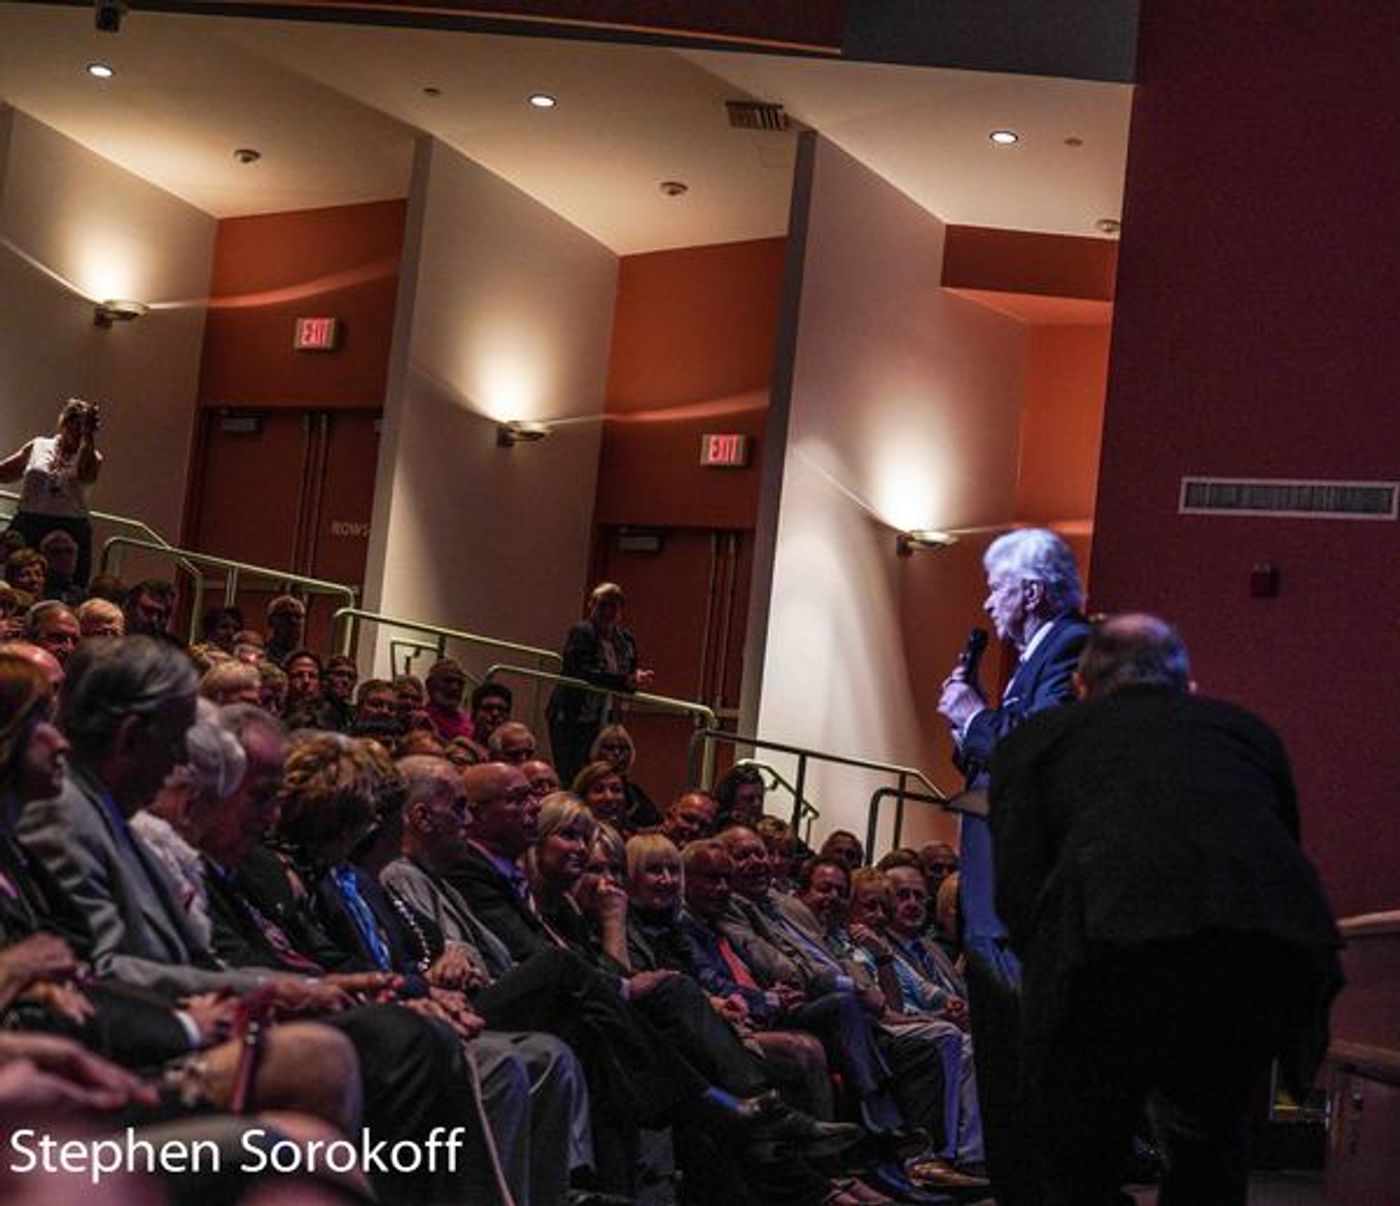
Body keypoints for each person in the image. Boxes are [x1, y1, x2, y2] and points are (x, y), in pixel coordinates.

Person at [990, 614, 1342, 1206]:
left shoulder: (1042, 738)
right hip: (1259, 953)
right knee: (1212, 1138)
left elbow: (1019, 892)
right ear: (1187, 686)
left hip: (1110, 945)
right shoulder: (1246, 732)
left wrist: (1051, 1000)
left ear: (1083, 684)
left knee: (1078, 1152)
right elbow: (1280, 845)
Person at [934, 526, 1093, 1206]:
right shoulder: (1034, 655)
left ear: (1029, 590)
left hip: (1016, 901)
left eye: (996, 586)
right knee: (1004, 1070)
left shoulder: (1068, 647)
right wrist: (967, 731)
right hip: (995, 895)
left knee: (1024, 1072)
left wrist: (974, 718)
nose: (988, 602)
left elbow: (1040, 750)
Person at [546, 582, 653, 784]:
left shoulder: (625, 639)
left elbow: (629, 669)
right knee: (572, 772)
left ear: (621, 610)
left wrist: (638, 677)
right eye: (602, 605)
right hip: (572, 713)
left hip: (606, 714)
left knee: (599, 770)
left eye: (613, 606)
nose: (607, 611)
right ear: (591, 605)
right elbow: (580, 671)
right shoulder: (581, 632)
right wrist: (624, 682)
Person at [0, 398, 103, 585]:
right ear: (63, 423)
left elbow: (86, 475)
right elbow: (6, 472)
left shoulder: (91, 455)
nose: (77, 433)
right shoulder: (38, 445)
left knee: (64, 582)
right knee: (16, 576)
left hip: (70, 527)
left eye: (82, 428)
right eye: (73, 426)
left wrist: (89, 437)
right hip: (30, 521)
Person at [589, 723, 660, 831]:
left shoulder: (634, 793)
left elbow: (655, 824)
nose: (617, 753)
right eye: (610, 748)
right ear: (597, 751)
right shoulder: (586, 784)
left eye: (623, 748)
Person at [262, 595, 306, 666]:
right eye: (286, 615)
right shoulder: (262, 656)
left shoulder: (306, 660)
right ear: (271, 621)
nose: (293, 621)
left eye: (298, 616)